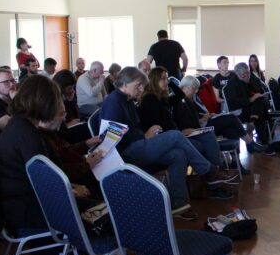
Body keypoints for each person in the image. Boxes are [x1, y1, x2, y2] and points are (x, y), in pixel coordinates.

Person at [0, 75, 100, 255]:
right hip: (27, 208)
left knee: (93, 202)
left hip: (19, 204)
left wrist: (71, 186)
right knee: (97, 211)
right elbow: (45, 180)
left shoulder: (20, 127)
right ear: (42, 102)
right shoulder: (26, 133)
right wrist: (70, 189)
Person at [100, 67, 233, 219]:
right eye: (138, 85)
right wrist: (144, 135)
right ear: (125, 83)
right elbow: (111, 138)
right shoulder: (114, 101)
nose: (142, 88)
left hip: (137, 146)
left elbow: (133, 128)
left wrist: (144, 135)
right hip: (126, 152)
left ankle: (179, 203)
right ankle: (209, 171)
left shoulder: (128, 100)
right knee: (175, 136)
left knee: (178, 154)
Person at [138, 67, 236, 199]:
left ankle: (215, 174)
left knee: (208, 135)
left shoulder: (161, 98)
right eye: (162, 79)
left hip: (175, 134)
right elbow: (156, 126)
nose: (165, 82)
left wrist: (170, 81)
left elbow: (180, 95)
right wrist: (178, 133)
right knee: (202, 145)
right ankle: (213, 180)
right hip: (167, 138)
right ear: (154, 80)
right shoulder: (150, 99)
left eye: (166, 78)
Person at [178, 75, 272, 155]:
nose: (195, 92)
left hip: (206, 123)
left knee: (231, 130)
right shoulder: (181, 102)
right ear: (186, 87)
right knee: (231, 118)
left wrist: (209, 115)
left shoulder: (191, 99)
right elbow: (190, 126)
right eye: (193, 89)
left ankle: (236, 161)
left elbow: (199, 113)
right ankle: (251, 144)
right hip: (201, 128)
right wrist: (203, 119)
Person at [225, 63, 271, 145]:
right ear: (240, 75)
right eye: (245, 74)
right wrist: (251, 99)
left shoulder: (251, 78)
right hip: (239, 110)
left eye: (248, 73)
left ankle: (253, 121)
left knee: (259, 100)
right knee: (260, 113)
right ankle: (263, 142)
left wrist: (257, 94)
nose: (248, 76)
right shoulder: (232, 83)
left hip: (252, 108)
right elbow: (234, 102)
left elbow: (260, 91)